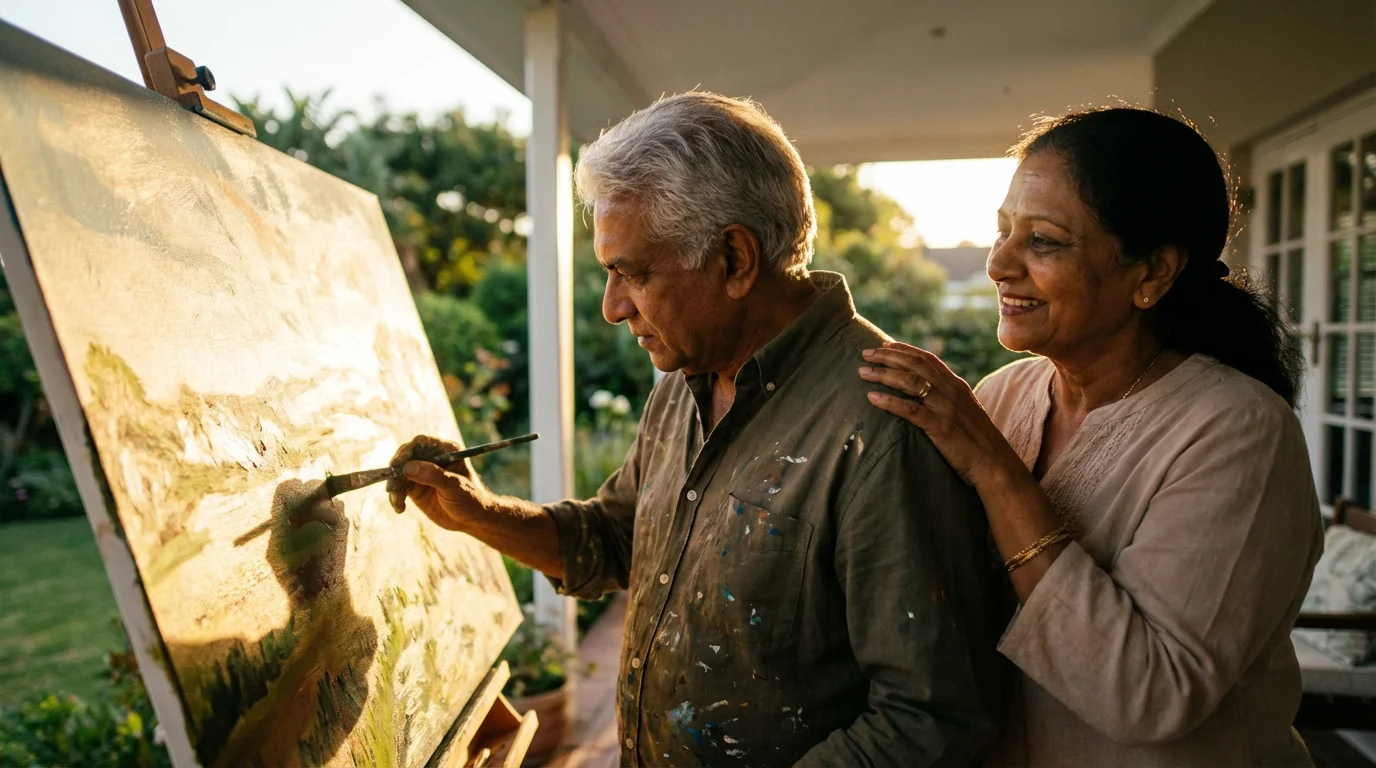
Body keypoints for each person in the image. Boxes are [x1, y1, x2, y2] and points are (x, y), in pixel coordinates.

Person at [387, 92, 1006, 766]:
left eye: (634, 273)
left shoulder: (882, 427)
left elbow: (933, 720)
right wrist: (478, 513)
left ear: (735, 259)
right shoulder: (684, 384)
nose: (612, 307)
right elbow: (615, 538)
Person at [858, 106, 1323, 767]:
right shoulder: (1003, 397)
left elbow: (1149, 695)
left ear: (1152, 273)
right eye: (1001, 232)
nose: (998, 264)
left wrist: (994, 469)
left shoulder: (1237, 432)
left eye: (1043, 241)